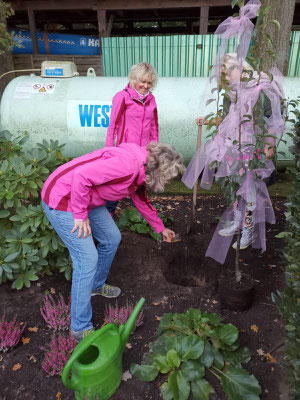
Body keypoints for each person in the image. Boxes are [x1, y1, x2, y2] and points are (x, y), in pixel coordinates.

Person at [41, 141, 185, 342]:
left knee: (112, 238)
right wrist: (80, 215)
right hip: (64, 199)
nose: (168, 183)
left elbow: (140, 197)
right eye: (168, 179)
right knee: (87, 259)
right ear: (158, 169)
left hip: (87, 197)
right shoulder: (126, 166)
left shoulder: (141, 169)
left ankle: (95, 285)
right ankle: (79, 328)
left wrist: (160, 228)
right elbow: (82, 177)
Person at [105, 62, 159, 215]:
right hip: (125, 151)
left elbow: (154, 126)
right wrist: (110, 150)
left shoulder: (152, 100)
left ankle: (140, 216)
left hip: (143, 151)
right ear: (134, 79)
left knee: (140, 184)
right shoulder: (122, 97)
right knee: (118, 183)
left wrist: (153, 150)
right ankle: (108, 213)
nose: (146, 85)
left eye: (149, 82)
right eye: (143, 81)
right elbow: (113, 126)